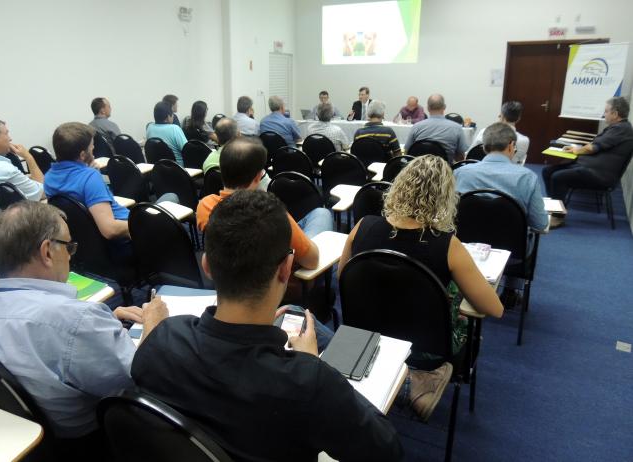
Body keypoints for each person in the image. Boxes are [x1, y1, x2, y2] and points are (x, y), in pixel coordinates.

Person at [132, 189, 405, 461]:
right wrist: (312, 364)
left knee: (296, 315)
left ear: (207, 266)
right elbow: (387, 449)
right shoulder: (309, 382)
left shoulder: (161, 340)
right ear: (286, 268)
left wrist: (154, 328)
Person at [0, 200, 168, 440]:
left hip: (5, 435)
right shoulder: (77, 321)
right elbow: (142, 377)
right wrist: (154, 324)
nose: (70, 256)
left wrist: (102, 325)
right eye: (68, 246)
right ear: (46, 252)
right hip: (89, 440)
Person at [339, 155, 504, 365]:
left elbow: (343, 277)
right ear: (445, 197)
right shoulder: (448, 246)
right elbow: (494, 309)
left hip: (366, 340)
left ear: (399, 185)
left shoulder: (362, 226)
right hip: (424, 352)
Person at [197, 138, 332, 270]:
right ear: (258, 176)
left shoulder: (205, 205)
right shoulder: (271, 214)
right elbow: (312, 262)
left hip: (231, 279)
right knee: (323, 213)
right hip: (287, 281)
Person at [542, 96, 633, 227]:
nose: (604, 114)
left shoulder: (621, 129)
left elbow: (593, 147)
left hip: (600, 175)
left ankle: (558, 217)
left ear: (615, 114)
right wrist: (576, 149)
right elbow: (596, 145)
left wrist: (576, 150)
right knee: (547, 171)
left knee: (557, 177)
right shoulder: (617, 127)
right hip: (590, 168)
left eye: (606, 111)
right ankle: (556, 208)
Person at [455, 123, 548, 231]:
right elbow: (540, 224)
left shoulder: (460, 173)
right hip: (511, 246)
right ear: (511, 146)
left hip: (464, 244)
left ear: (484, 147)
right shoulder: (527, 178)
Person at [404, 94, 468, 163]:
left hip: (420, 170)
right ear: (444, 107)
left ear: (428, 108)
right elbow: (461, 157)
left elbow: (407, 152)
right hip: (445, 171)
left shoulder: (416, 127)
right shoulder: (457, 128)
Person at [146, 101, 189, 166]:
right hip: (178, 169)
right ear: (168, 116)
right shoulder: (174, 129)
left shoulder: (149, 127)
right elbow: (187, 150)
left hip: (158, 169)